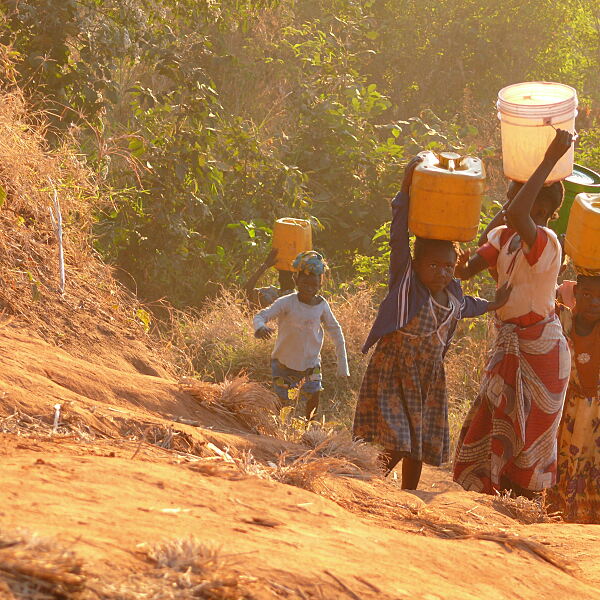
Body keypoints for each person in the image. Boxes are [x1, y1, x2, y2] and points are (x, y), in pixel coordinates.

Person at [352, 156, 511, 490]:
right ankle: (368, 483)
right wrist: (404, 189)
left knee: (419, 442)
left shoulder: (452, 295)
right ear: (418, 264)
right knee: (399, 437)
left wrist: (495, 303)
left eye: (448, 267)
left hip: (428, 377)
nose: (441, 273)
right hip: (395, 370)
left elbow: (469, 306)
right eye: (433, 266)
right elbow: (398, 238)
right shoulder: (405, 283)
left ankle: (409, 494)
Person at [453, 130, 574, 497]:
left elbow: (521, 212)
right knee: (492, 419)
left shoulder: (548, 244)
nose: (514, 209)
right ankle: (491, 497)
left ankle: (522, 507)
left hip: (543, 352)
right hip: (510, 344)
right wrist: (504, 214)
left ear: (545, 213)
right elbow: (465, 270)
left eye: (536, 208)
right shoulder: (506, 238)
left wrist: (550, 159)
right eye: (512, 200)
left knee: (531, 437)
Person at [253, 251, 349, 418]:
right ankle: (276, 430)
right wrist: (260, 327)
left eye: (313, 284)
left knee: (314, 396)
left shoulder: (322, 306)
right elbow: (261, 315)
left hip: (311, 364)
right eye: (304, 283)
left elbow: (336, 331)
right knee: (281, 403)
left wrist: (343, 365)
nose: (309, 288)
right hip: (283, 364)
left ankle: (308, 429)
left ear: (320, 284)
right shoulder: (287, 302)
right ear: (296, 280)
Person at [549, 272, 600, 522]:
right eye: (588, 295)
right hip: (565, 409)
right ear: (576, 293)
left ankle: (588, 516)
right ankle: (558, 512)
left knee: (591, 463)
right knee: (563, 458)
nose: (594, 303)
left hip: (595, 418)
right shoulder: (562, 319)